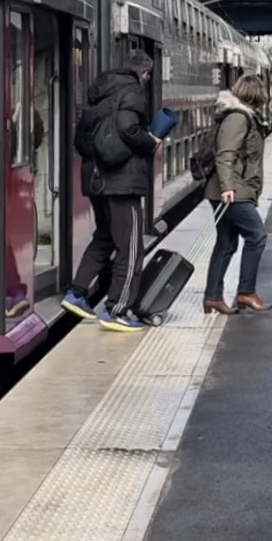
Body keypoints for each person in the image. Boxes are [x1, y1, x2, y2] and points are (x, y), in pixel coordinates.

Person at [63, 50, 160, 332]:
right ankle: (117, 310)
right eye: (148, 75)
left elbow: (81, 139)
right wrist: (151, 142)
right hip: (122, 183)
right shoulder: (133, 92)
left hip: (97, 180)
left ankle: (77, 293)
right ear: (144, 74)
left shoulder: (100, 92)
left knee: (104, 236)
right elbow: (128, 129)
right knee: (131, 248)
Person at [202, 74, 272, 316]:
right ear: (256, 94)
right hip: (233, 190)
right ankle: (246, 291)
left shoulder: (243, 115)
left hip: (232, 188)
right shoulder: (238, 118)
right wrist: (227, 187)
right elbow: (225, 154)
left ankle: (213, 297)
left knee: (226, 243)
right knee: (257, 236)